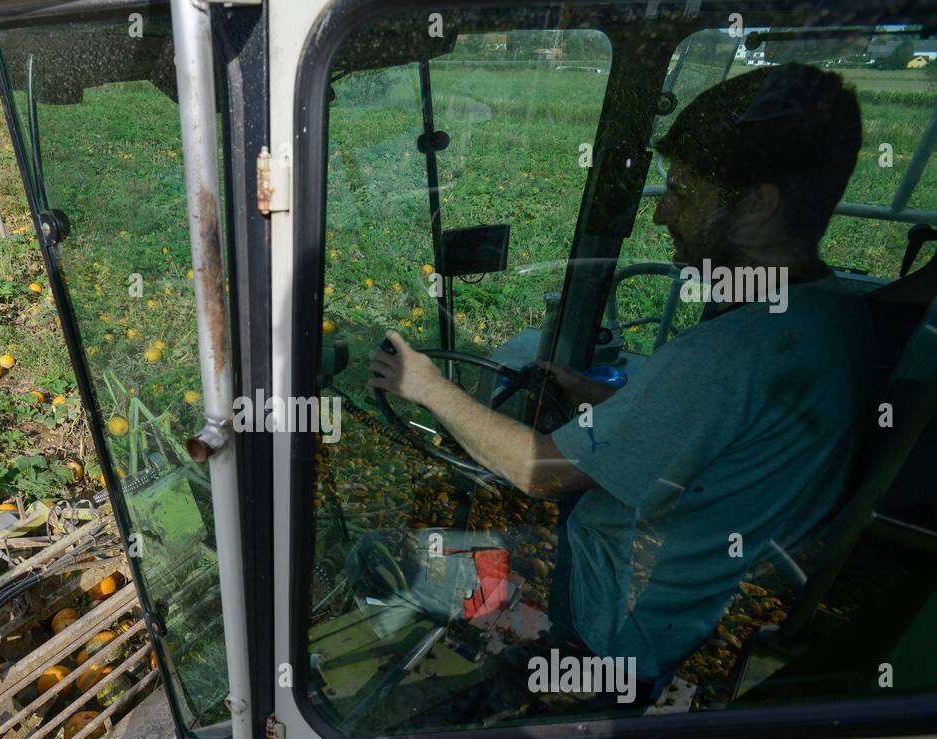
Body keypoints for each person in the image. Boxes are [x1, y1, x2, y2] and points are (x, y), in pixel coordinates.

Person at [367, 64, 874, 702]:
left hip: (610, 630)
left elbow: (539, 471)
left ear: (758, 205)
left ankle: (497, 674)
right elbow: (714, 438)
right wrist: (605, 400)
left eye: (684, 193)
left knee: (387, 555)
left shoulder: (727, 353)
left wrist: (430, 386)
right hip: (701, 600)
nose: (662, 214)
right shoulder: (834, 315)